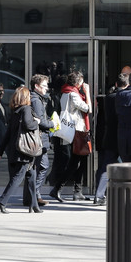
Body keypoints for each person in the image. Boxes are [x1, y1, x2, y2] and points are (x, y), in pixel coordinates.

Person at [0, 86, 42, 214]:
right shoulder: (26, 109)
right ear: (25, 98)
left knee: (31, 176)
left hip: (17, 149)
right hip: (25, 150)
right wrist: (37, 122)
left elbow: (8, 134)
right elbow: (28, 124)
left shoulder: (15, 111)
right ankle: (2, 201)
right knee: (18, 177)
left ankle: (34, 205)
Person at [48, 71, 92, 202]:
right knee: (74, 162)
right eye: (82, 82)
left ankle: (76, 191)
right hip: (76, 131)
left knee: (79, 161)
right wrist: (88, 93)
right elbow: (88, 108)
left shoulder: (65, 91)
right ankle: (58, 189)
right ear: (78, 83)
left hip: (76, 131)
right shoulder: (73, 94)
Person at [93, 73, 129, 205]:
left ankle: (99, 195)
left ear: (115, 84)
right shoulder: (125, 97)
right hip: (123, 135)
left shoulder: (108, 98)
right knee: (127, 166)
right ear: (128, 85)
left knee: (105, 167)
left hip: (109, 136)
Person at [23, 74, 58, 207]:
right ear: (36, 86)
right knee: (43, 166)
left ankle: (31, 196)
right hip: (39, 139)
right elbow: (40, 121)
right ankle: (35, 195)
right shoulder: (37, 100)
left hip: (38, 138)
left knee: (35, 168)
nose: (46, 88)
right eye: (44, 86)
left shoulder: (36, 98)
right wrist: (52, 124)